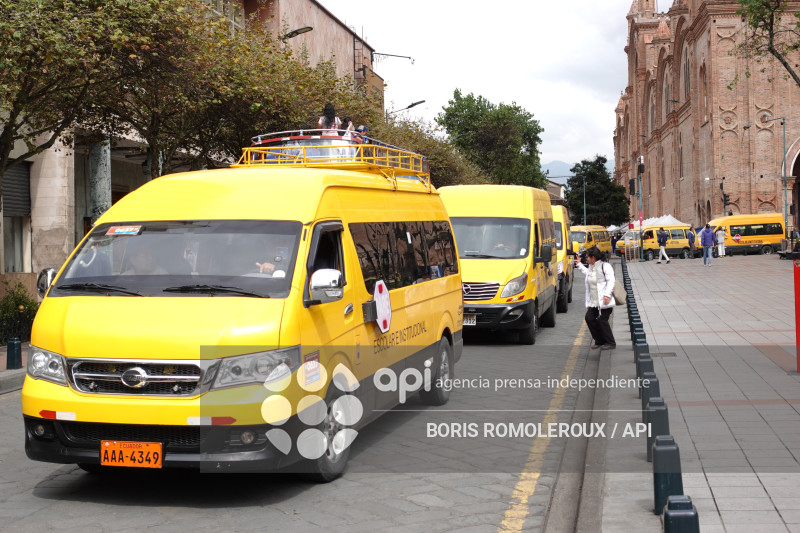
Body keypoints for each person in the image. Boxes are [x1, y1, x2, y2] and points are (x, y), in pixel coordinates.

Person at [574, 246, 616, 350]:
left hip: (604, 300)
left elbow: (611, 281)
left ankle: (610, 342)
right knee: (589, 318)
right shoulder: (591, 267)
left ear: (593, 258)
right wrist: (579, 264)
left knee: (602, 320)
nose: (586, 259)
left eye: (587, 257)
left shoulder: (605, 266)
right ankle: (599, 340)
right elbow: (588, 274)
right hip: (594, 301)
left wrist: (607, 295)